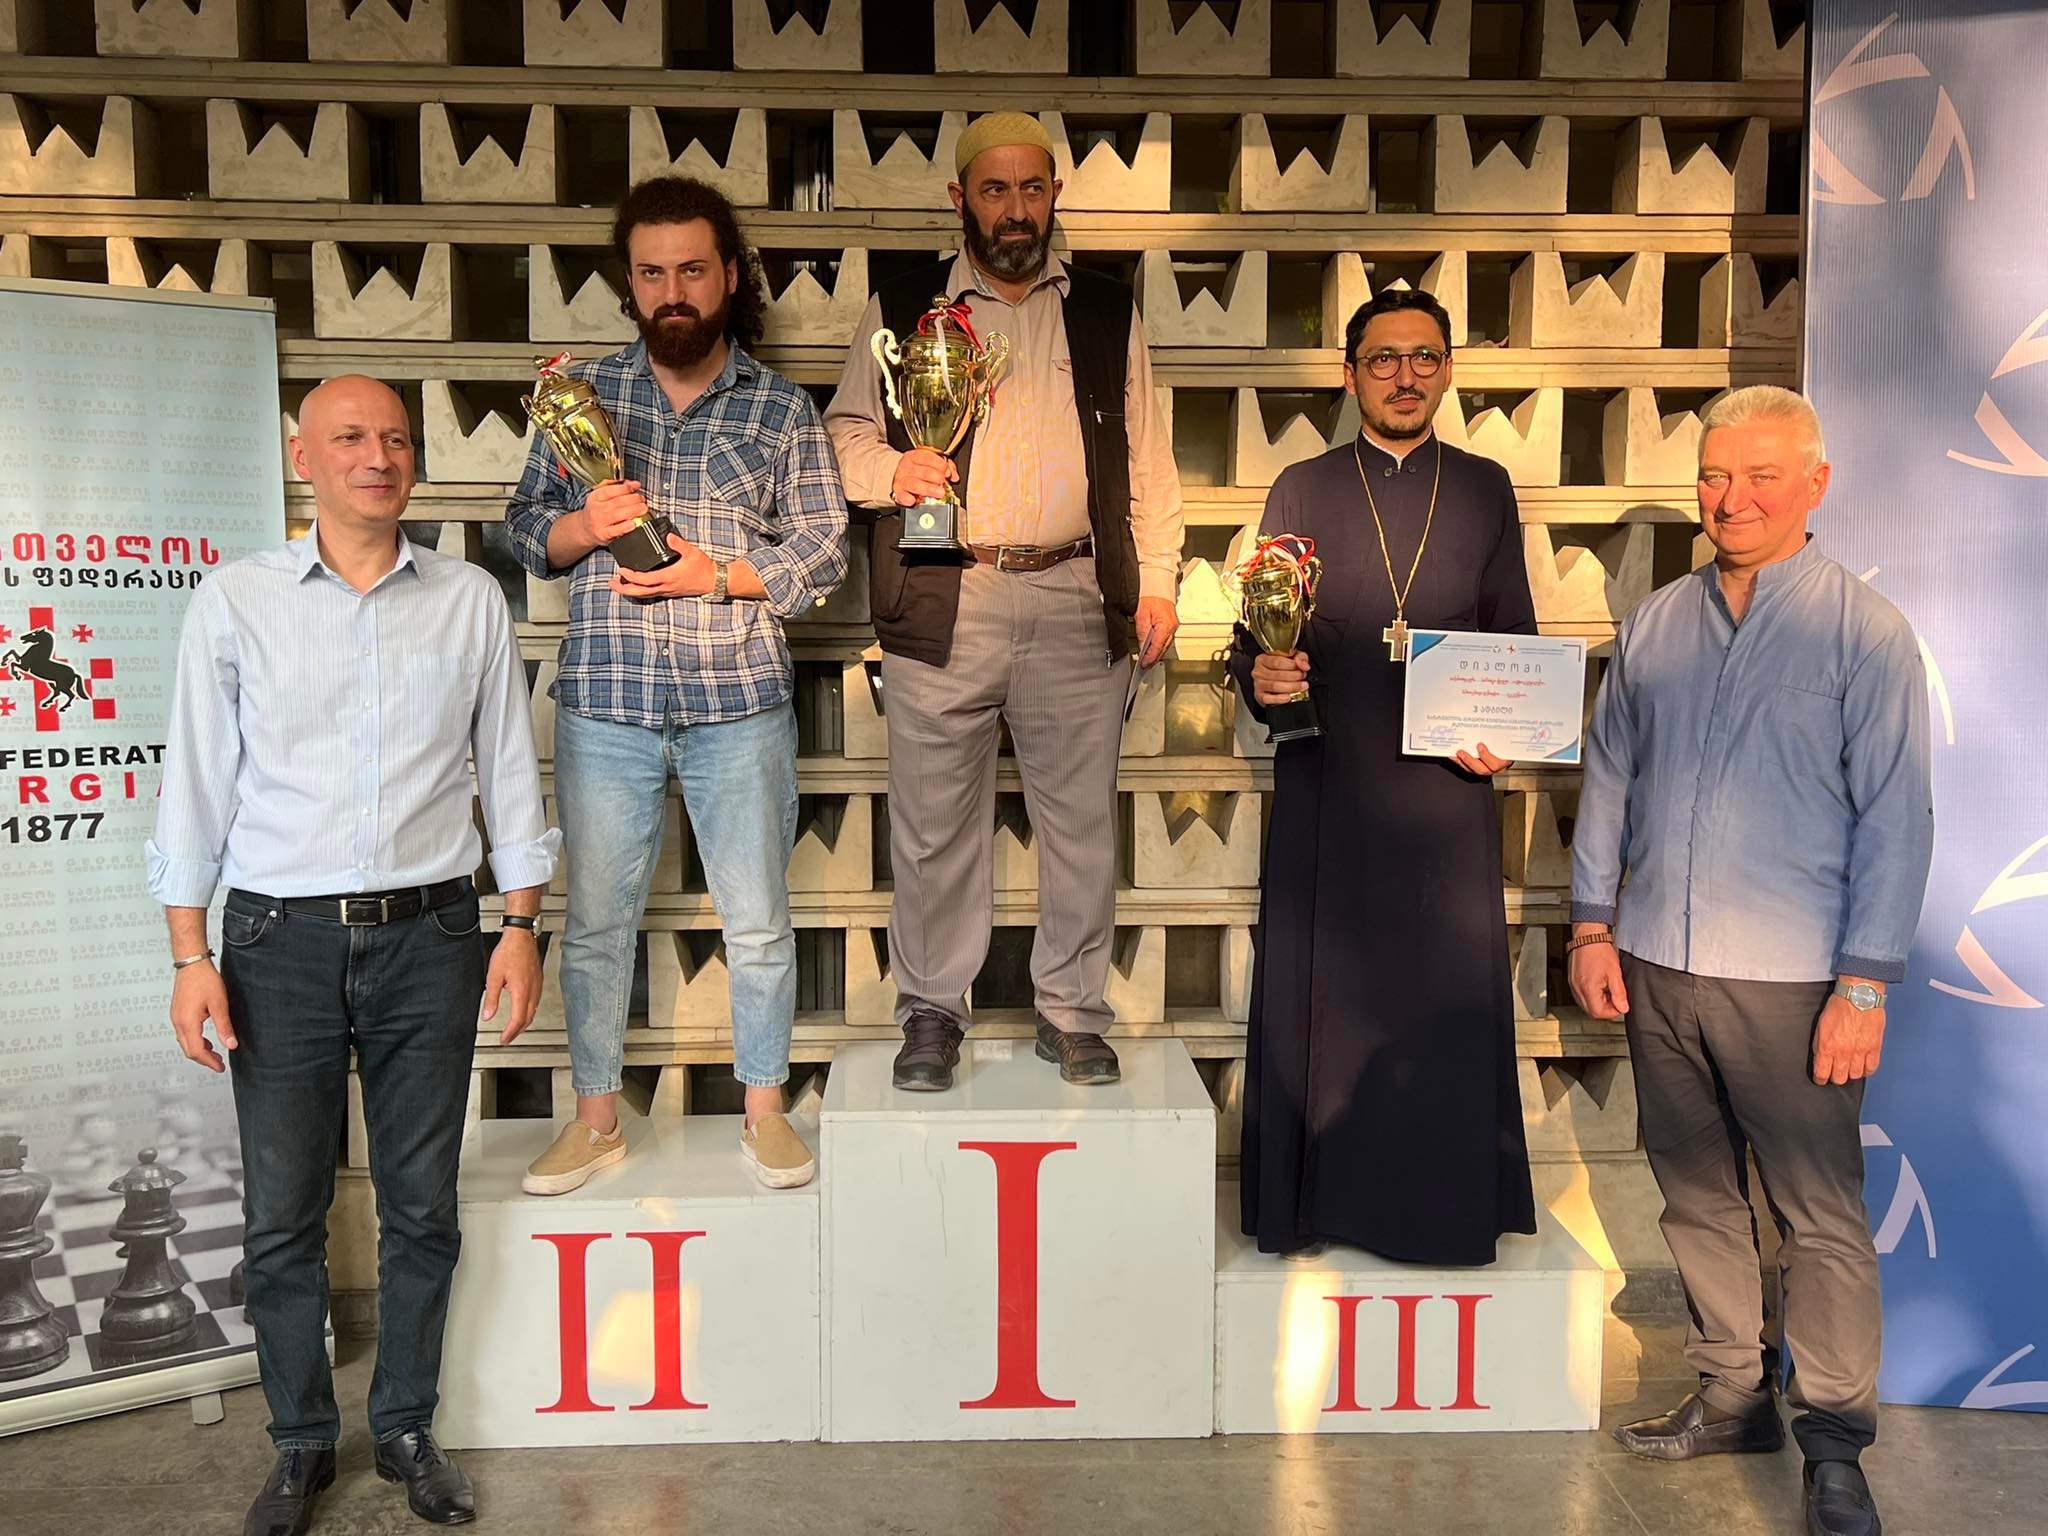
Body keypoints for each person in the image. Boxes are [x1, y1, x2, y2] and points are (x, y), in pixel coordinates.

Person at [147, 375, 559, 1535]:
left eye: (395, 438)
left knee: (421, 1207)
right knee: (283, 1213)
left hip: (434, 934)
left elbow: (508, 771)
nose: (377, 456)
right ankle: (299, 1443)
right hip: (274, 941)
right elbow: (195, 783)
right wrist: (188, 954)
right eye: (349, 438)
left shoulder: (468, 599)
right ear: (304, 457)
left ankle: (408, 1427)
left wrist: (519, 924)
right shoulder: (235, 600)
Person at [1570, 386, 1933, 1536]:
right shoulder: (1653, 625)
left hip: (1794, 981)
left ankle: (1832, 1444)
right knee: (1693, 1196)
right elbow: (1608, 777)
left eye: (1759, 476)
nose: (1730, 499)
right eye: (1713, 475)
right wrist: (1590, 924)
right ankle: (1730, 1392)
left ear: (1813, 485)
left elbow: (1895, 819)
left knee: (1815, 1213)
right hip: (1654, 963)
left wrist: (1862, 983)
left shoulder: (1864, 633)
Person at [824, 110, 1184, 1091]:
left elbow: (1147, 456)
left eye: (1032, 188)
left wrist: (1157, 580)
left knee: (1081, 823)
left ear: (1054, 195)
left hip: (1077, 589)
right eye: (995, 190)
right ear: (960, 199)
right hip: (946, 588)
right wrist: (894, 470)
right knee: (932, 822)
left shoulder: (1105, 309)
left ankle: (1072, 1012)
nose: (1015, 209)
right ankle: (931, 1012)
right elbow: (844, 435)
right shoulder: (903, 304)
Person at [507, 176, 847, 1194]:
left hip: (736, 705)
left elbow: (825, 549)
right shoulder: (581, 400)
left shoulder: (780, 409)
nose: (672, 291)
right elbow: (525, 531)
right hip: (606, 706)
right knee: (595, 928)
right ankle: (596, 1121)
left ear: (729, 275)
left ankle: (763, 1111)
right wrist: (583, 526)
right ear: (630, 282)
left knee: (758, 923)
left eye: (691, 269)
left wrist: (722, 575)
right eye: (651, 273)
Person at [1227, 288, 1537, 1264]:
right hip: (1328, 782)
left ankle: (1438, 1214)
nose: (1405, 376)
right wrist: (1261, 675)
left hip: (1446, 798)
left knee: (1439, 1009)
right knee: (1327, 1003)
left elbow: (1515, 636)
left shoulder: (1483, 487)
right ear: (1350, 373)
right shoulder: (1303, 487)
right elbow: (1256, 637)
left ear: (1446, 371)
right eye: (1383, 359)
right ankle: (1320, 1208)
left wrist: (1505, 727)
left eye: (1424, 357)